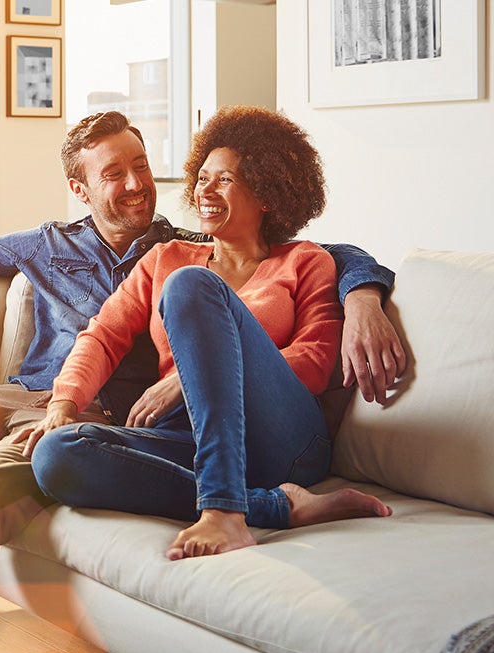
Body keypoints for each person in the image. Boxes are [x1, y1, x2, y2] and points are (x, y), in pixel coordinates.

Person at [0, 110, 405, 653]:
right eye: (114, 173)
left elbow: (334, 259)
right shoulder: (95, 249)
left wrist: (366, 293)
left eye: (141, 165)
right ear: (81, 190)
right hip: (38, 398)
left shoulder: (216, 250)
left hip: (121, 414)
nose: (138, 183)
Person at [24, 106, 393, 563]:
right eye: (201, 178)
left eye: (225, 179)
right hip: (193, 438)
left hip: (281, 439)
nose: (205, 190)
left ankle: (222, 510)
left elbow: (316, 364)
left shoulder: (305, 262)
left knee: (191, 286)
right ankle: (275, 506)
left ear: (266, 195)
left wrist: (187, 379)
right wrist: (64, 403)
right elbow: (102, 335)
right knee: (58, 455)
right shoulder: (166, 258)